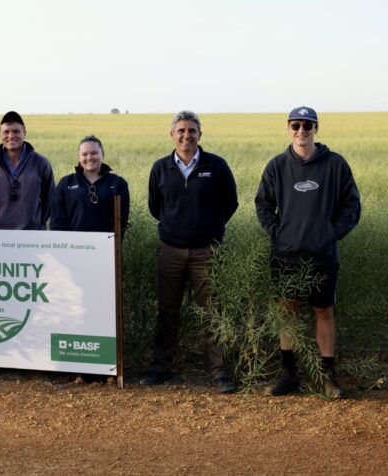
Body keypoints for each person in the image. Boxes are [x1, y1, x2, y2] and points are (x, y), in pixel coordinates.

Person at [255, 106, 361, 399]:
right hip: (286, 254)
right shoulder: (276, 166)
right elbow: (263, 204)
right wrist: (279, 233)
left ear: (317, 129)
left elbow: (351, 206)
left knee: (323, 311)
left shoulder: (336, 165)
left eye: (307, 125)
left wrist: (330, 234)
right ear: (288, 128)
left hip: (323, 255)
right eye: (296, 125)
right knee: (287, 312)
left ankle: (329, 377)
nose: (302, 131)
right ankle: (288, 375)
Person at [141, 111, 239, 393]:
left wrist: (210, 228)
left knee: (213, 312)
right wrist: (176, 227)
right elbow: (155, 207)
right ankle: (161, 367)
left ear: (200, 135)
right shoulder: (160, 168)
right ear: (172, 135)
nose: (186, 135)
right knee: (167, 310)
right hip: (170, 251)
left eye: (192, 130)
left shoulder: (216, 166)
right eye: (181, 130)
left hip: (206, 251)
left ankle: (219, 372)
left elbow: (230, 203)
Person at [0, 111, 55, 230]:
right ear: (0, 135)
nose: (11, 136)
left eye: (16, 131)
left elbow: (50, 198)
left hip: (32, 233)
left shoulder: (41, 163)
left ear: (24, 133)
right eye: (6, 132)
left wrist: (38, 222)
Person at [50, 135, 130, 233]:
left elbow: (121, 222)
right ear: (78, 157)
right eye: (84, 154)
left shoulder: (118, 183)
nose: (89, 157)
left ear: (103, 154)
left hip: (106, 245)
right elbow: (57, 221)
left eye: (94, 153)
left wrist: (111, 244)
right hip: (72, 246)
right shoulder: (66, 183)